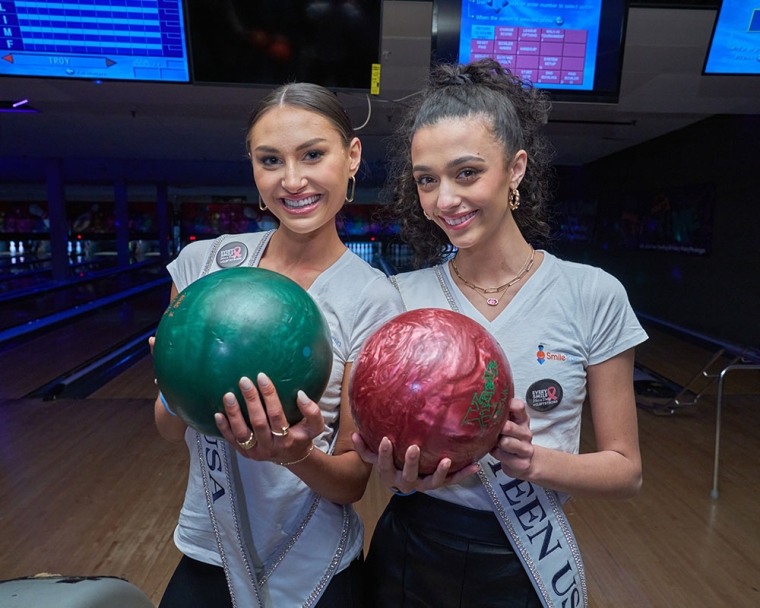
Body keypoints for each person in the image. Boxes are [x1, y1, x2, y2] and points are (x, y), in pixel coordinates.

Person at [353, 58, 648, 607]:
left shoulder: (592, 293)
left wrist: (531, 461)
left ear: (515, 169)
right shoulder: (398, 298)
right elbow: (383, 458)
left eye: (467, 173)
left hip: (525, 562)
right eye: (427, 180)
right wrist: (395, 471)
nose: (445, 200)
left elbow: (625, 471)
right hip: (411, 551)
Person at [153, 82, 404, 608]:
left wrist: (296, 454)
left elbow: (350, 483)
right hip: (209, 549)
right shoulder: (205, 267)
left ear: (352, 155)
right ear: (253, 167)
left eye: (313, 154)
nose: (293, 180)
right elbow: (169, 428)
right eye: (271, 160)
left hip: (314, 563)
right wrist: (174, 382)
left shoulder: (375, 299)